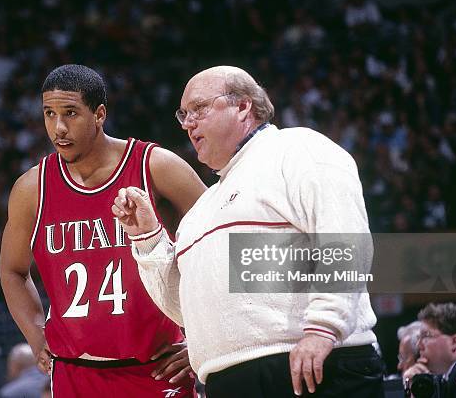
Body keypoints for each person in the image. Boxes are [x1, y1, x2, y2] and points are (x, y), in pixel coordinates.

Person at [112, 65, 384, 397]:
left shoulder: (297, 148)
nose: (188, 124)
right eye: (183, 115)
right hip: (227, 380)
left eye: (199, 109)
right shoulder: (202, 209)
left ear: (244, 106)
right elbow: (185, 310)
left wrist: (323, 328)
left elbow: (342, 237)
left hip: (316, 362)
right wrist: (149, 238)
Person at [0, 64, 206, 397]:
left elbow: (220, 240)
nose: (59, 127)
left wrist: (203, 337)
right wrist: (37, 336)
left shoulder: (155, 165)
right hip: (73, 372)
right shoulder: (31, 188)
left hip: (155, 368)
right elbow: (12, 271)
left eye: (71, 113)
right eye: (49, 114)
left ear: (99, 114)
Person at [403, 303, 456, 398]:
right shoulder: (445, 375)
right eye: (419, 338)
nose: (419, 345)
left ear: (454, 342)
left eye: (426, 336)